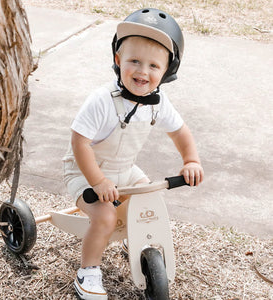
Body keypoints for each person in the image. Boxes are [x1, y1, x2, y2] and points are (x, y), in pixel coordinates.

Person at [63, 8, 204, 300]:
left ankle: (137, 237)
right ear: (118, 60)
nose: (142, 71)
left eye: (154, 65)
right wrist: (98, 181)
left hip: (124, 169)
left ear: (167, 72)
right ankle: (88, 271)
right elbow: (79, 143)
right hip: (85, 170)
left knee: (148, 202)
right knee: (105, 216)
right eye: (134, 61)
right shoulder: (101, 100)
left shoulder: (158, 102)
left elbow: (180, 132)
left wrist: (191, 160)